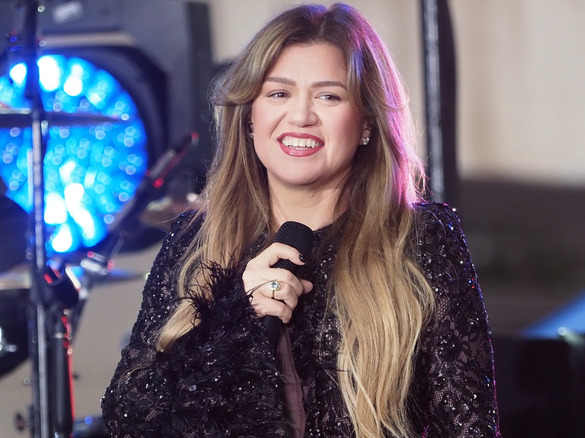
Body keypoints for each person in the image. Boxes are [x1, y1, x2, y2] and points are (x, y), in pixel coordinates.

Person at [101, 3, 501, 437]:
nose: (300, 116)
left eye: (328, 96)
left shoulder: (420, 238)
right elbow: (130, 419)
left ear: (365, 121)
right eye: (278, 94)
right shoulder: (195, 240)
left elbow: (468, 426)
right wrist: (236, 317)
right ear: (249, 116)